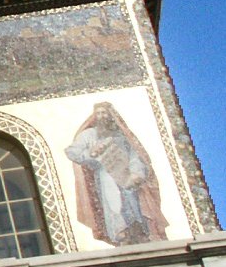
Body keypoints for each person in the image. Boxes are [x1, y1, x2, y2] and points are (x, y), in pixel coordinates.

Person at [66, 102, 167, 246]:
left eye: (104, 113)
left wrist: (136, 173)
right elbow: (72, 152)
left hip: (126, 176)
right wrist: (91, 153)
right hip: (105, 174)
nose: (102, 116)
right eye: (99, 113)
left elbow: (134, 155)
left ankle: (138, 231)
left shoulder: (121, 136)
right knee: (113, 202)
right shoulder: (88, 135)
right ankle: (120, 234)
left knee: (132, 203)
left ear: (111, 115)